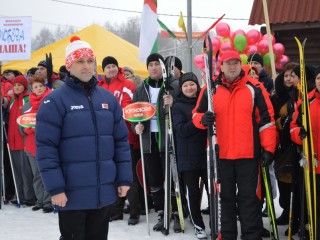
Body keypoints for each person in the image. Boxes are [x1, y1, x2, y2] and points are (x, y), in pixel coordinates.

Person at [35, 37, 132, 240]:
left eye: (90, 60)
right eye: (80, 61)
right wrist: (56, 188)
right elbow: (46, 149)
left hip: (103, 192)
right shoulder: (54, 101)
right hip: (71, 195)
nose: (86, 66)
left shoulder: (108, 100)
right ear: (69, 65)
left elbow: (120, 143)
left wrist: (123, 178)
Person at [192, 50, 277, 239]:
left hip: (248, 155)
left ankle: (251, 236)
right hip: (220, 155)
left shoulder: (254, 87)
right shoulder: (210, 89)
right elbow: (196, 115)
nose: (232, 66)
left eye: (235, 63)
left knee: (249, 200)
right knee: (225, 200)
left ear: (241, 65)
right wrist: (203, 120)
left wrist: (268, 149)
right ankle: (227, 236)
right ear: (221, 66)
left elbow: (266, 120)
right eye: (228, 63)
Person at [132, 53, 181, 234]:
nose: (153, 67)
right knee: (154, 179)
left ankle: (176, 211)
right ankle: (161, 211)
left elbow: (184, 107)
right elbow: (134, 111)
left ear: (163, 67)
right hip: (148, 139)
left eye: (156, 64)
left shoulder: (173, 86)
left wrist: (173, 102)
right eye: (150, 64)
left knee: (171, 177)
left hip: (167, 139)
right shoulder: (141, 88)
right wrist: (135, 125)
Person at [98, 56, 138, 224]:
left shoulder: (127, 84)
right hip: (105, 138)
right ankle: (116, 210)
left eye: (114, 66)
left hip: (125, 135)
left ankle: (135, 211)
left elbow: (129, 108)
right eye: (108, 67)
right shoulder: (98, 87)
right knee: (111, 174)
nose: (111, 69)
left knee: (128, 174)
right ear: (103, 70)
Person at [172, 72, 208, 239]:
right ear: (181, 88)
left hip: (207, 155)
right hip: (188, 157)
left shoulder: (205, 102)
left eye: (191, 84)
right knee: (192, 194)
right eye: (185, 85)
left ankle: (217, 221)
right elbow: (182, 130)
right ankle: (198, 225)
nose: (189, 88)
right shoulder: (178, 106)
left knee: (214, 192)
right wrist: (200, 121)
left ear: (197, 86)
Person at [271, 62, 301, 236]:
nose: (289, 79)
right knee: (283, 181)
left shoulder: (301, 95)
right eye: (287, 75)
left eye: (293, 75)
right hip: (281, 145)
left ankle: (296, 218)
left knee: (295, 185)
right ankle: (286, 211)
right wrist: (280, 123)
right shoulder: (277, 96)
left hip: (296, 146)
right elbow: (273, 117)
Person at [290, 67, 320, 239]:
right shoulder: (306, 102)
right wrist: (299, 134)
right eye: (318, 78)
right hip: (312, 165)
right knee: (314, 207)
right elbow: (293, 127)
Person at [21, 75, 53, 213]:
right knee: (37, 175)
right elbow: (21, 127)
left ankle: (48, 202)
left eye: (41, 86)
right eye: (36, 87)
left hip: (47, 144)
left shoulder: (51, 101)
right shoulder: (27, 105)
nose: (39, 89)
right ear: (31, 89)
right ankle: (39, 200)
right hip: (31, 144)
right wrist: (27, 129)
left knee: (47, 173)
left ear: (44, 86)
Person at [4, 76, 35, 206]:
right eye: (15, 85)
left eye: (19, 85)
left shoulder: (27, 100)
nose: (16, 87)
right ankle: (19, 195)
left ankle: (28, 197)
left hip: (23, 141)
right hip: (12, 142)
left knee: (25, 171)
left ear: (24, 86)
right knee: (16, 171)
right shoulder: (12, 101)